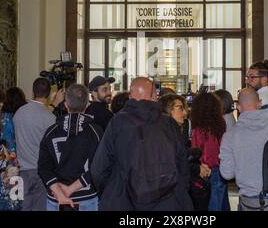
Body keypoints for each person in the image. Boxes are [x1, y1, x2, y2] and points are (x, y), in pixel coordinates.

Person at [91, 77, 193, 211]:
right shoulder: (168, 124)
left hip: (125, 200)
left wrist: (114, 190)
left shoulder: (118, 123)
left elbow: (99, 168)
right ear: (154, 96)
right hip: (168, 200)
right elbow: (182, 163)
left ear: (130, 95)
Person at [38, 84, 103, 211]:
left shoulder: (51, 131)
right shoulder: (96, 131)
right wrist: (69, 190)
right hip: (86, 197)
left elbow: (43, 167)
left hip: (56, 197)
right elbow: (98, 167)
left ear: (66, 105)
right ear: (87, 105)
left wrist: (60, 192)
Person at [13, 78, 63, 211]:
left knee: (22, 207)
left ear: (33, 91)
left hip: (21, 171)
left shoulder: (19, 113)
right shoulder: (50, 118)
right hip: (41, 172)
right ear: (48, 94)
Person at [159, 94, 211, 210]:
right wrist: (198, 168)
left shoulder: (177, 130)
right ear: (168, 109)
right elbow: (177, 160)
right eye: (180, 108)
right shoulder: (164, 133)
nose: (185, 113)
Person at [190, 92, 230, 211]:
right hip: (219, 167)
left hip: (203, 168)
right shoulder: (220, 123)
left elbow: (196, 148)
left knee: (208, 203)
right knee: (219, 200)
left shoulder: (198, 126)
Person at [0, 87, 27, 211]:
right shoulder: (21, 117)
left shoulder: (1, 118)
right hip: (18, 162)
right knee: (15, 199)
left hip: (2, 162)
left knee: (1, 196)